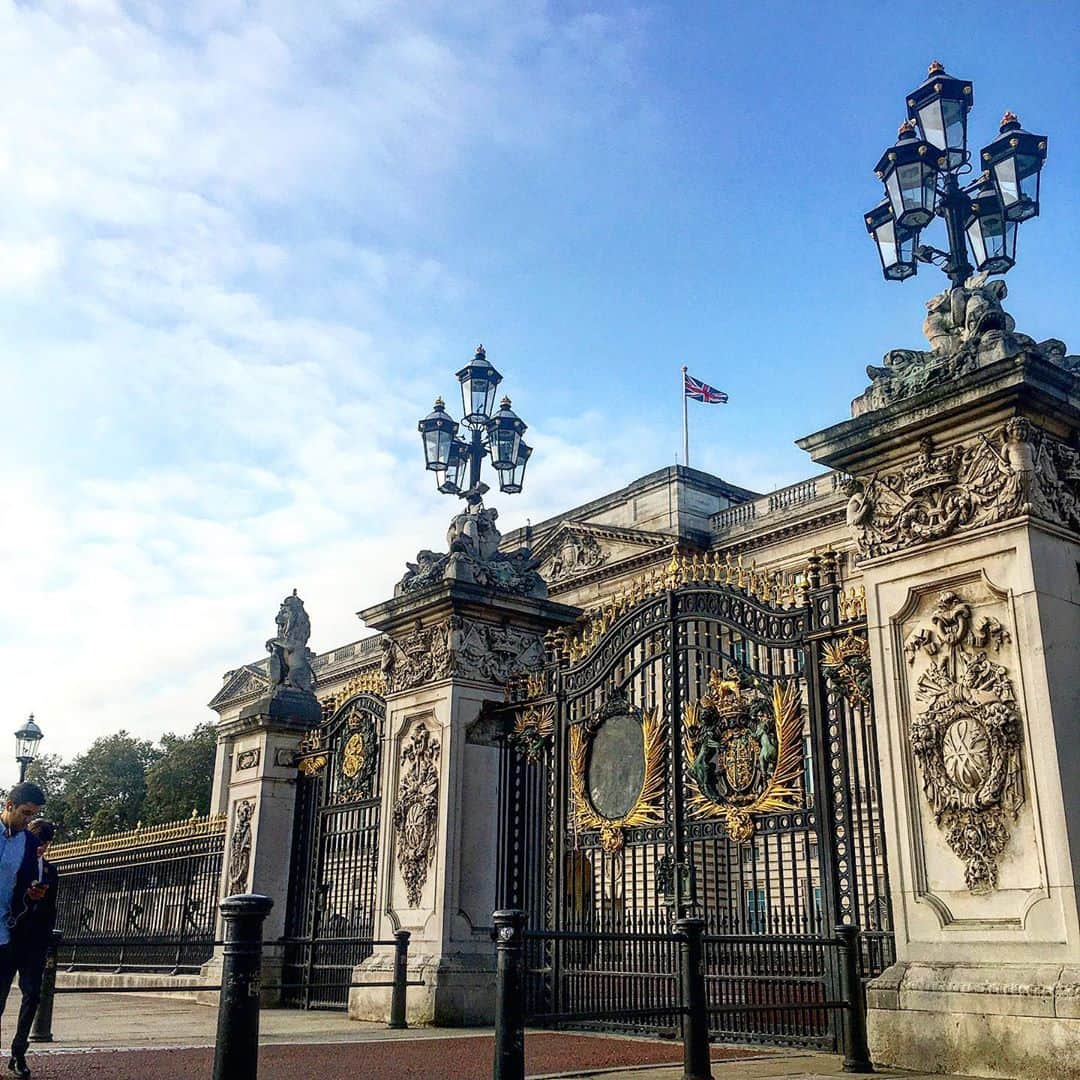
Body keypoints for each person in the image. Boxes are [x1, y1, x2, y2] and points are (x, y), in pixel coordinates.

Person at [0, 783, 47, 1080]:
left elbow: (26, 882)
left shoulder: (28, 842)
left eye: (33, 816)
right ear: (9, 805)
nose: (28, 821)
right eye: (25, 814)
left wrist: (32, 894)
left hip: (5, 933)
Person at [7, 820, 57, 1079]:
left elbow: (52, 908)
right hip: (10, 938)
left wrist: (47, 937)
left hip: (35, 942)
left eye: (46, 844)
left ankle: (18, 1052)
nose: (41, 848)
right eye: (39, 842)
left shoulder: (50, 870)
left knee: (33, 996)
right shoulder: (17, 864)